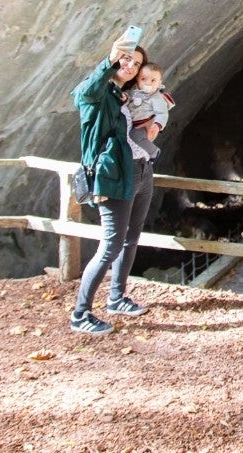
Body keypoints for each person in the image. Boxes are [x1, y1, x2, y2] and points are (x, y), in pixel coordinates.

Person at [68, 30, 156, 335]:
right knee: (110, 245)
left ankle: (116, 298)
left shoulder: (124, 97)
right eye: (126, 59)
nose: (130, 66)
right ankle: (81, 314)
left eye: (136, 63)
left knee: (131, 238)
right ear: (115, 58)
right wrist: (109, 61)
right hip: (113, 176)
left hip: (140, 170)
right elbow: (82, 94)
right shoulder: (97, 95)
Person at [125, 62, 175, 161]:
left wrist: (157, 125)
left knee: (135, 136)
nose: (148, 83)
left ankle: (153, 153)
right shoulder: (134, 91)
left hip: (145, 124)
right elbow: (129, 97)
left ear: (159, 83)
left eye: (153, 80)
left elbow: (162, 113)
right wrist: (125, 97)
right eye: (143, 79)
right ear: (137, 79)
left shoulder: (156, 97)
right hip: (133, 123)